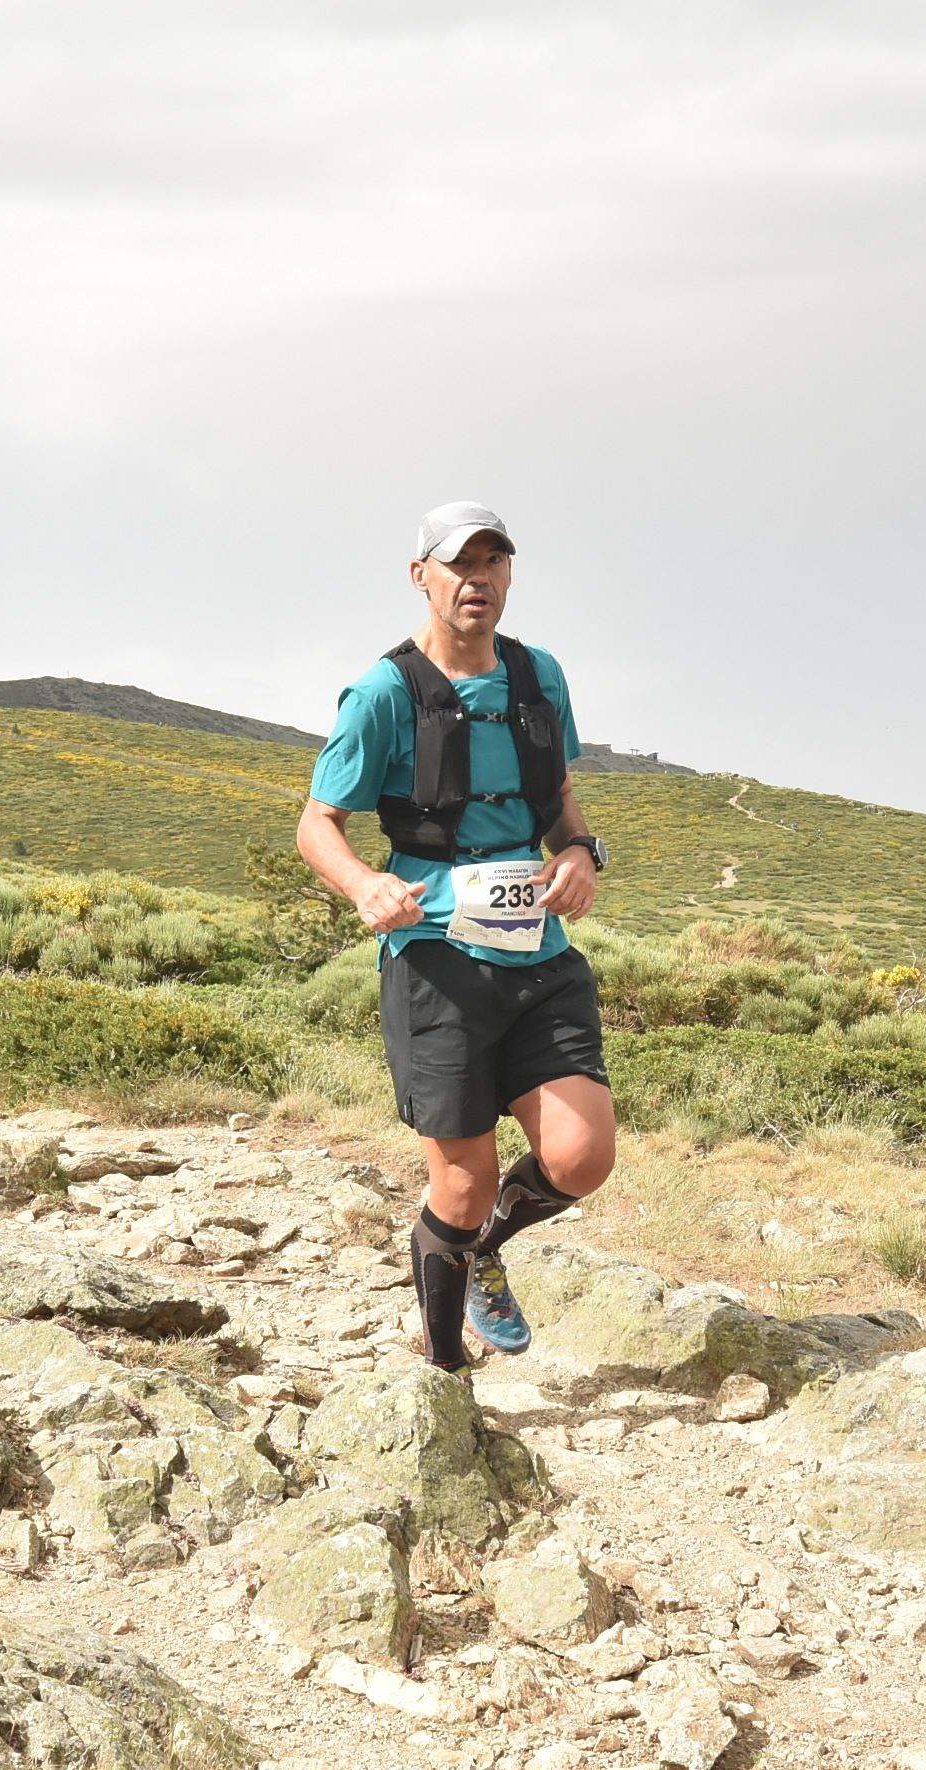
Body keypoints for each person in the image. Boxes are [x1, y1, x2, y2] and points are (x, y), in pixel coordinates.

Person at [298, 503, 616, 1370]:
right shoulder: (383, 693)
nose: (478, 580)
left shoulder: (538, 677)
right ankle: (444, 1374)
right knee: (464, 1185)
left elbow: (556, 799)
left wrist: (581, 853)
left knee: (582, 1158)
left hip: (537, 953)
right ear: (422, 577)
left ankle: (483, 1255)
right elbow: (317, 822)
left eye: (493, 563)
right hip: (436, 959)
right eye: (459, 565)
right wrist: (364, 883)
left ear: (510, 575)